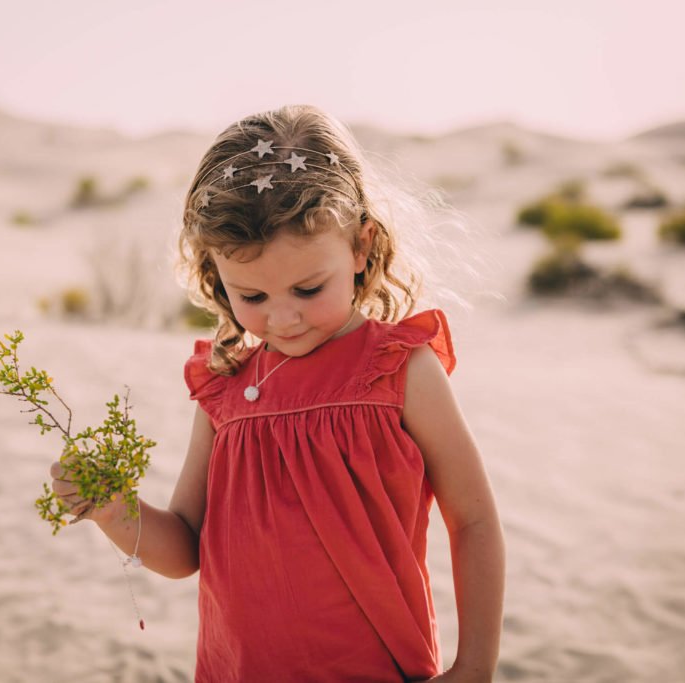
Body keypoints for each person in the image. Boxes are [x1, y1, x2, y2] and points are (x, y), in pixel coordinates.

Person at [50, 105, 505, 682]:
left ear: (361, 247)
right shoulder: (224, 388)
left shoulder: (398, 369)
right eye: (252, 297)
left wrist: (476, 666)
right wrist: (115, 512)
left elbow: (474, 520)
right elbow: (186, 547)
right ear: (216, 277)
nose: (284, 318)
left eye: (308, 287)